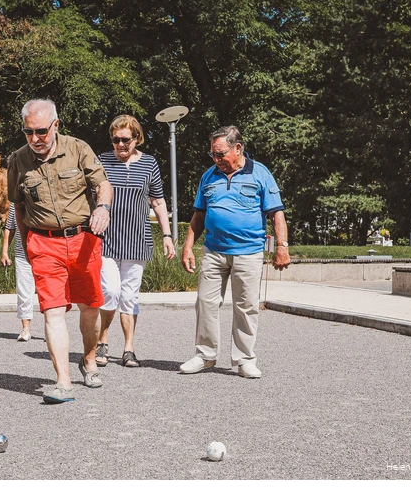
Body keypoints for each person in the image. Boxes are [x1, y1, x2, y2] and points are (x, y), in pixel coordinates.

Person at [6, 98, 112, 404]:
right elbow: (18, 204)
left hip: (83, 240)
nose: (35, 138)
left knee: (89, 308)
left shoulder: (78, 148)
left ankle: (89, 359)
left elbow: (103, 184)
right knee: (52, 312)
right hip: (43, 243)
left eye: (41, 131)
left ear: (55, 125)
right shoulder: (17, 161)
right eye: (28, 132)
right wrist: (26, 245)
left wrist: (103, 208)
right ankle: (63, 381)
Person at [179, 125, 291, 379]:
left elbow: (276, 214)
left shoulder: (260, 173)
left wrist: (282, 247)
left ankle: (245, 360)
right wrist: (188, 247)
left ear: (238, 148)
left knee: (246, 306)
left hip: (248, 252)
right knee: (205, 303)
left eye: (221, 154)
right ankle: (205, 356)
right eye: (213, 155)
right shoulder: (209, 176)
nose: (217, 160)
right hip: (214, 251)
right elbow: (199, 216)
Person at [95, 115, 176, 368]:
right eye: (116, 139)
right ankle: (102, 339)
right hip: (106, 239)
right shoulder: (102, 161)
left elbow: (158, 202)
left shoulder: (149, 164)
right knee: (110, 291)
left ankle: (129, 348)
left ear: (137, 138)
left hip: (137, 239)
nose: (120, 145)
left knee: (130, 296)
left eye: (125, 140)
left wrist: (167, 235)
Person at [0, 203, 35, 342]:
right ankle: (26, 328)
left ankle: (51, 326)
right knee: (24, 292)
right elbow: (10, 228)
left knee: (49, 292)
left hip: (44, 252)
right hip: (21, 253)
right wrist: (4, 252)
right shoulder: (16, 202)